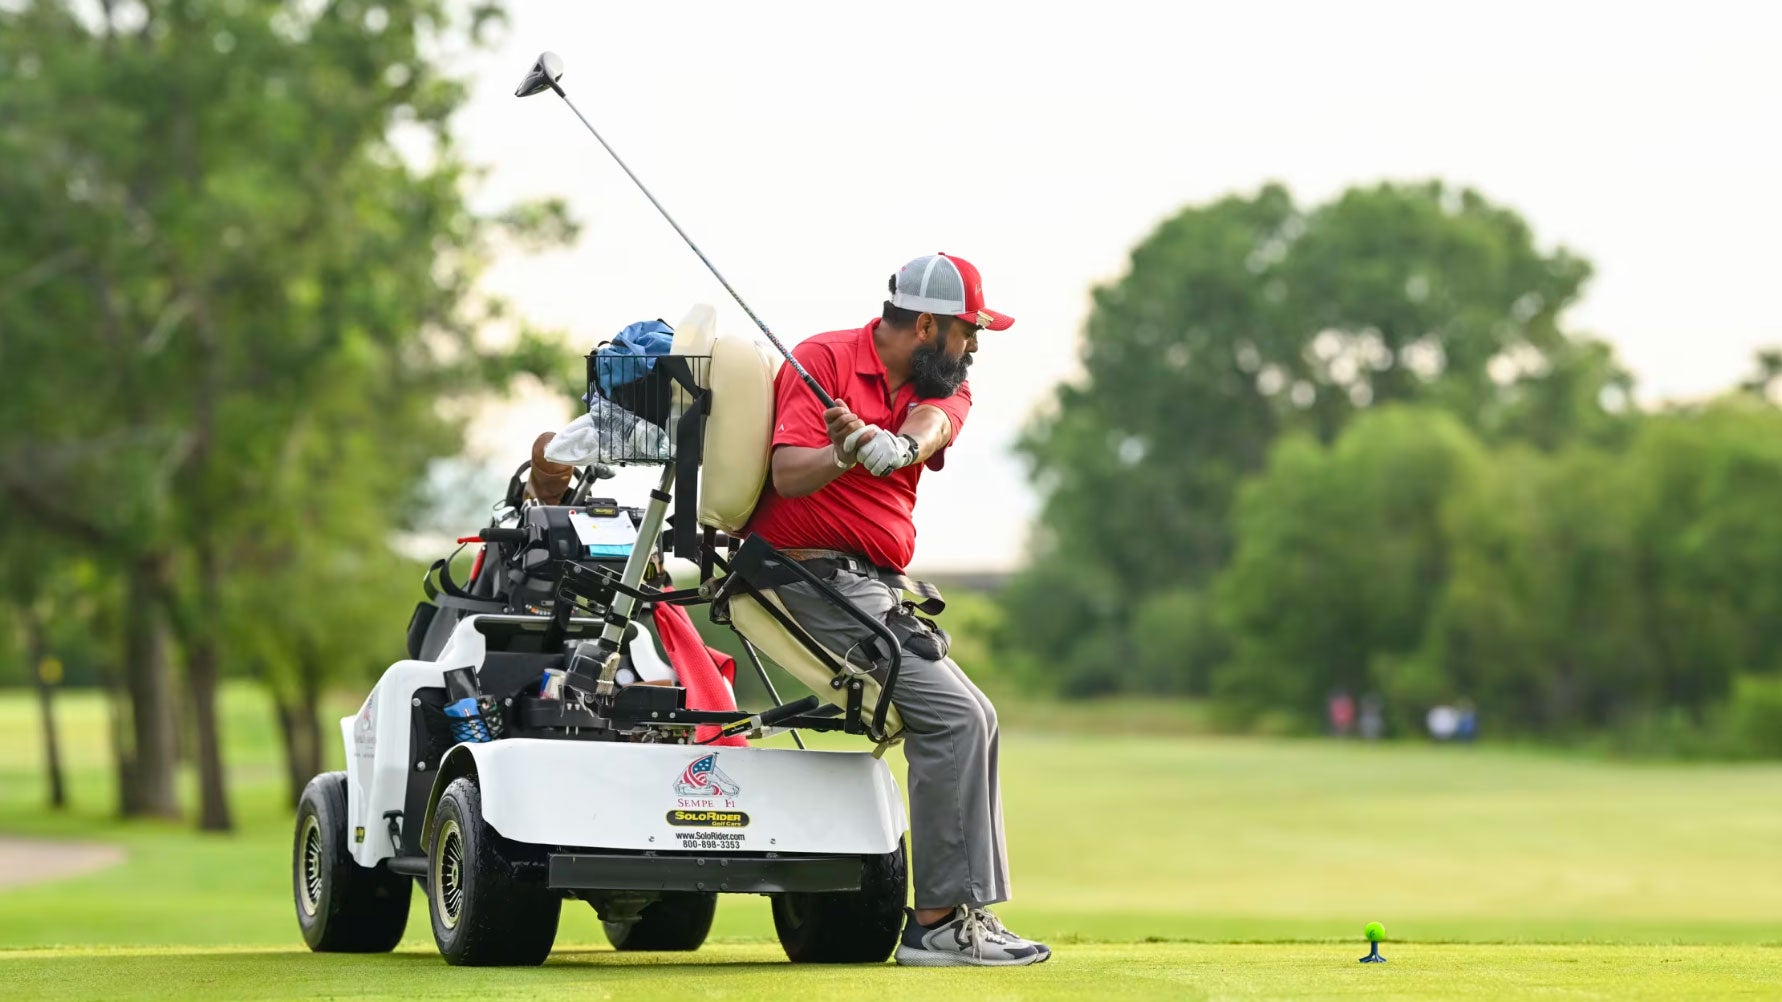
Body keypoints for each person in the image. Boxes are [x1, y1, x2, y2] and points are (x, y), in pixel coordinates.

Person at [744, 253, 1049, 967]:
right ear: (926, 325)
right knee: (955, 717)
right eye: (967, 330)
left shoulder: (944, 383)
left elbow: (936, 423)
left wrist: (898, 444)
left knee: (977, 715)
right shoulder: (825, 359)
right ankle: (938, 925)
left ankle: (961, 914)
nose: (973, 346)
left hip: (872, 587)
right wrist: (844, 453)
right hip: (803, 575)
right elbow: (787, 473)